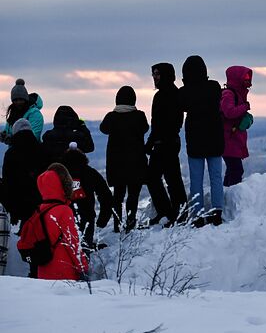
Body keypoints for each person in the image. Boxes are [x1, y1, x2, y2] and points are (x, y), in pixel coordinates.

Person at [178, 56, 225, 227]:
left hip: (196, 140)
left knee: (196, 180)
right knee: (216, 177)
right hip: (215, 139)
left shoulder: (184, 92)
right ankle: (217, 212)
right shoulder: (214, 87)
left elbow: (181, 105)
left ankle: (197, 216)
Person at [99, 86, 149, 232]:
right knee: (133, 195)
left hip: (117, 163)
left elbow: (103, 129)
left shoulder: (111, 116)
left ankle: (117, 225)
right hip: (136, 162)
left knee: (118, 196)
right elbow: (145, 129)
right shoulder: (139, 116)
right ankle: (130, 222)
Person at [146, 62, 187, 225]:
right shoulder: (170, 93)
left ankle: (172, 212)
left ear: (166, 74)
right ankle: (175, 212)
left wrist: (152, 141)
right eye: (153, 74)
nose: (154, 77)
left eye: (157, 73)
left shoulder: (166, 94)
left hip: (165, 142)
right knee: (170, 177)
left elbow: (162, 123)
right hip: (167, 141)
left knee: (157, 177)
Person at [35, 163, 89, 280]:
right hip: (64, 272)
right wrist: (83, 267)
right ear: (62, 185)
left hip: (42, 272)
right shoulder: (64, 211)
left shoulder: (39, 210)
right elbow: (72, 243)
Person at [62, 143, 115, 249]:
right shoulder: (90, 172)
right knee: (85, 247)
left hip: (63, 217)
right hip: (87, 215)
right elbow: (105, 195)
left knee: (67, 248)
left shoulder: (59, 175)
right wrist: (103, 219)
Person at [1, 119, 49, 227]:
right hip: (39, 203)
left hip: (17, 202)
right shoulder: (42, 150)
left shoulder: (11, 153)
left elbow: (7, 180)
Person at [221, 66, 253, 187]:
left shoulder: (237, 94)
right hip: (229, 139)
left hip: (232, 138)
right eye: (245, 78)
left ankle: (226, 195)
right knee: (236, 170)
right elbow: (229, 112)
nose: (248, 81)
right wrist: (245, 107)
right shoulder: (229, 94)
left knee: (232, 170)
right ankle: (232, 197)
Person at [1, 79, 44, 144]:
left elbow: (34, 137)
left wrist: (12, 139)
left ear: (26, 99)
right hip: (15, 152)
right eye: (16, 100)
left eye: (21, 99)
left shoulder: (34, 114)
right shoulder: (13, 114)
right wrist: (4, 135)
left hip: (32, 152)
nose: (18, 102)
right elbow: (7, 130)